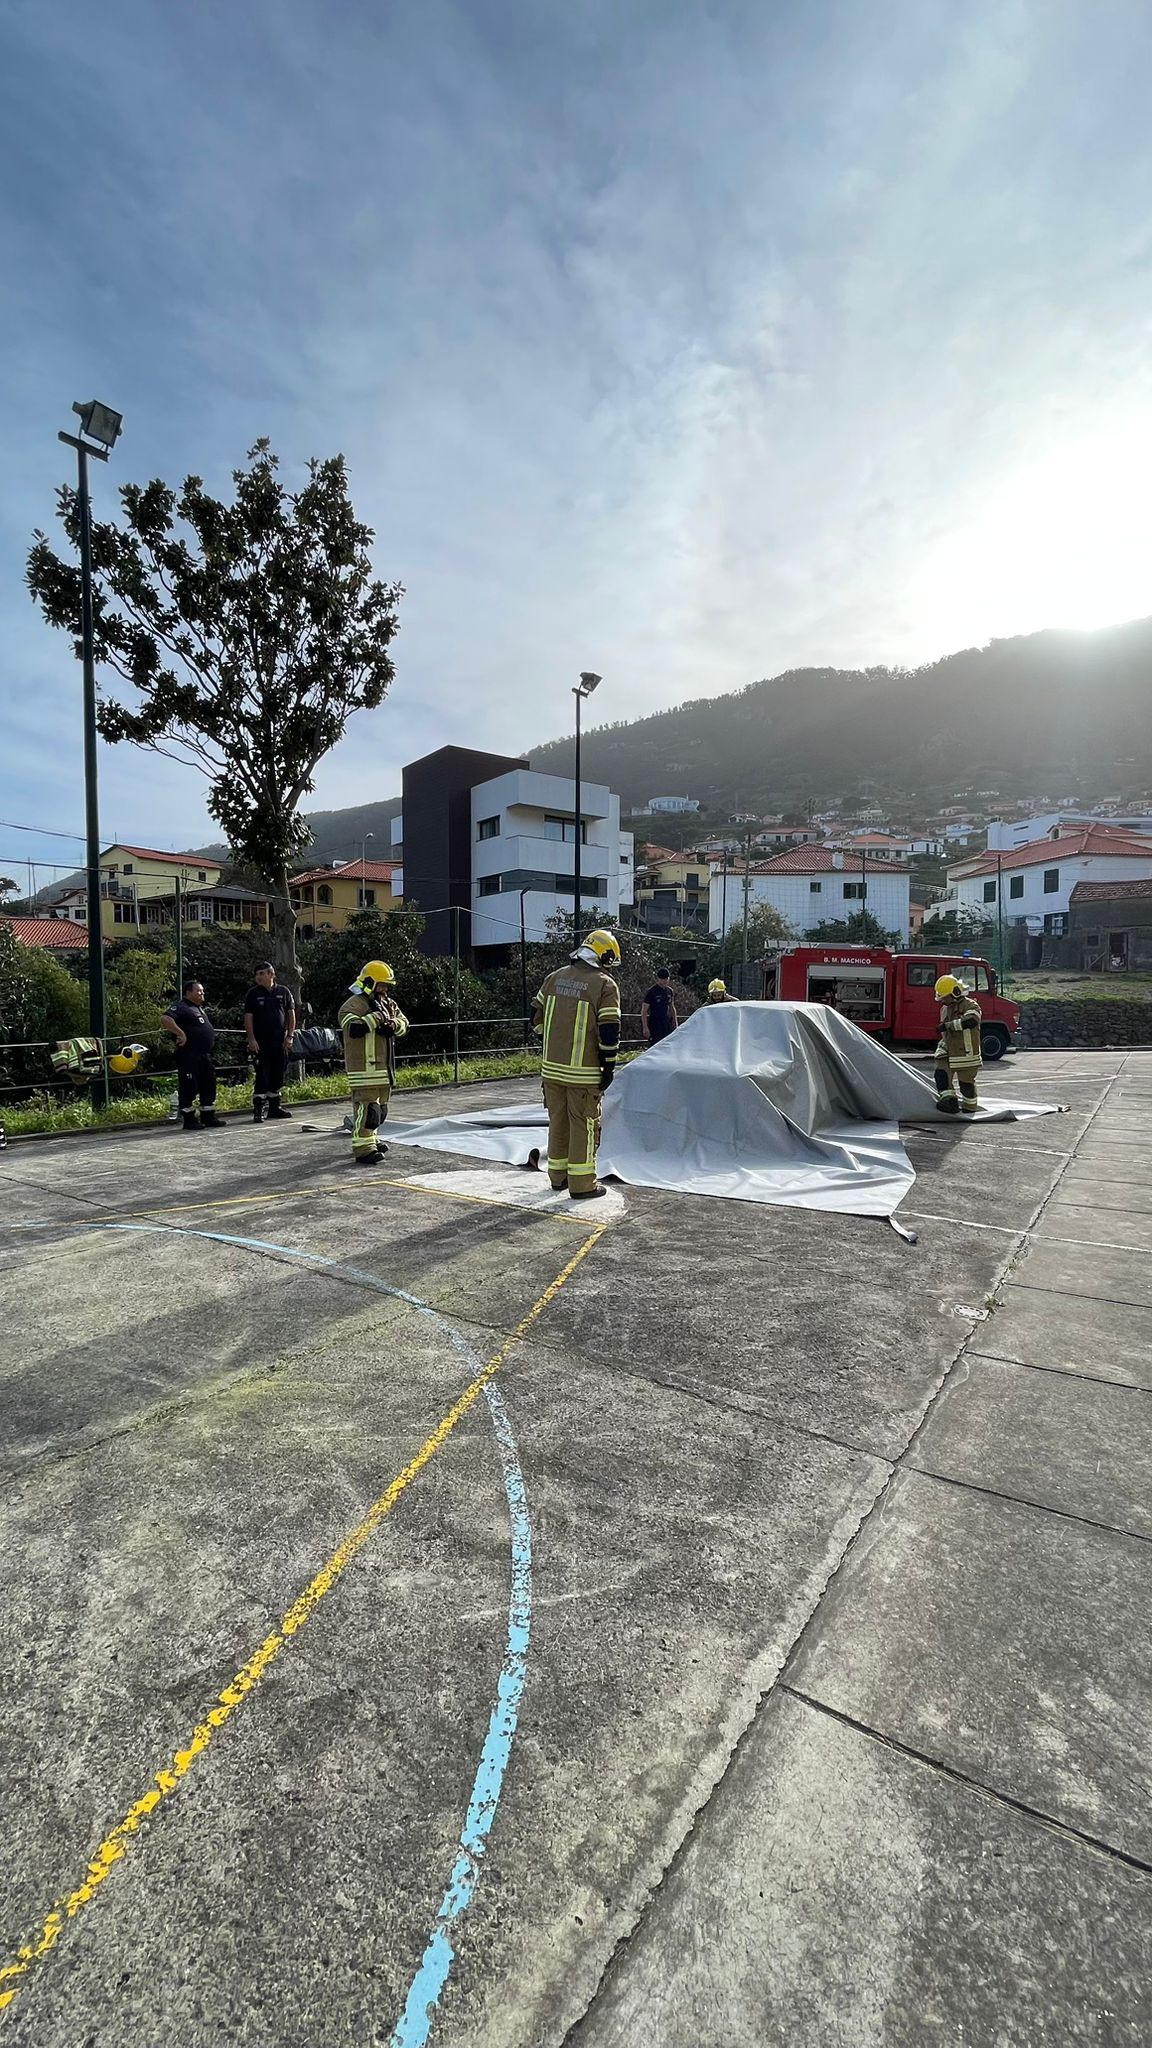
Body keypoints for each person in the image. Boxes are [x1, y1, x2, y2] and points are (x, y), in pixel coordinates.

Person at [532, 928, 622, 1199]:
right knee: (584, 1126)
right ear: (603, 956)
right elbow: (609, 1031)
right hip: (583, 1074)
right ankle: (583, 1185)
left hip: (551, 1071)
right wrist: (608, 1067)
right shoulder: (605, 985)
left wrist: (551, 1042)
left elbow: (535, 1018)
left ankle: (557, 1177)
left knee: (557, 1122)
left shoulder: (554, 978)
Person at [338, 959, 409, 1165]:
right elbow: (353, 1029)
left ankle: (372, 1139)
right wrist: (374, 1019)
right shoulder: (353, 1005)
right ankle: (363, 1149)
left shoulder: (388, 1003)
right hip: (363, 1068)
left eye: (386, 986)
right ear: (368, 983)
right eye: (381, 985)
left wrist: (394, 1025)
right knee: (368, 1110)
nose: (384, 989)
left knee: (381, 1110)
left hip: (384, 1069)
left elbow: (405, 1023)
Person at [161, 978, 224, 1131]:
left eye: (202, 990)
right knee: (189, 1085)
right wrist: (180, 1033)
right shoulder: (181, 1006)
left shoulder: (198, 1008)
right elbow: (165, 1018)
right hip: (189, 1054)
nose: (202, 993)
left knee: (208, 1083)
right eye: (199, 991)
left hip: (203, 1055)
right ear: (189, 992)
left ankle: (208, 1116)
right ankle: (189, 1119)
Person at [244, 962, 297, 1123]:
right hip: (261, 1042)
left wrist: (290, 1036)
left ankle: (274, 1108)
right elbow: (248, 1017)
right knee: (262, 1075)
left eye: (262, 973)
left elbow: (291, 1014)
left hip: (279, 1041)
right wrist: (251, 1039)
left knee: (278, 1074)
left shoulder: (283, 991)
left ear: (271, 974)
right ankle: (259, 1109)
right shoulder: (253, 994)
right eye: (257, 974)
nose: (258, 977)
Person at [933, 974, 983, 1115]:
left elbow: (971, 1021)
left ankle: (969, 1108)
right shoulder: (945, 1009)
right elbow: (946, 1032)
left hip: (966, 1053)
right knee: (941, 1075)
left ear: (955, 993)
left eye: (945, 997)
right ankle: (949, 1102)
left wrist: (947, 1026)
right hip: (949, 1050)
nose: (942, 1000)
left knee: (966, 1084)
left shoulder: (971, 1005)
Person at [641, 966, 678, 1045]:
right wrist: (645, 1027)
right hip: (655, 1023)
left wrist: (675, 1020)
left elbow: (672, 1007)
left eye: (666, 979)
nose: (664, 981)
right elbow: (644, 1010)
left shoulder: (669, 991)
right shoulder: (651, 992)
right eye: (662, 979)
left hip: (666, 1023)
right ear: (658, 979)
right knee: (655, 1045)